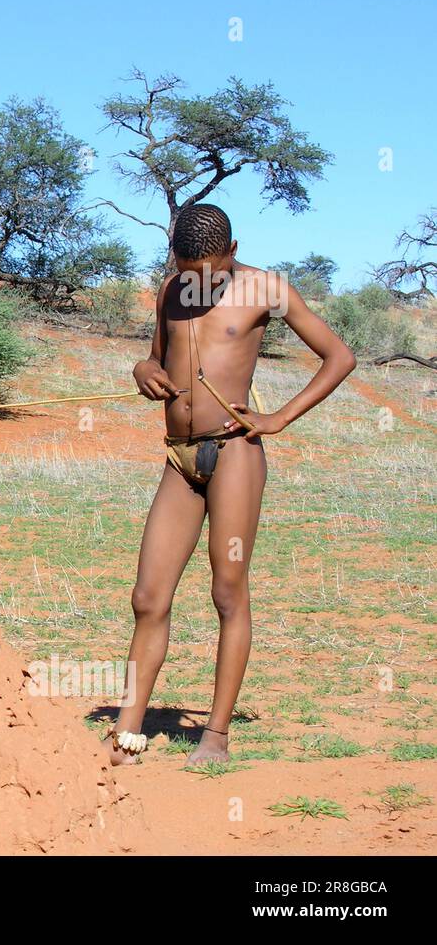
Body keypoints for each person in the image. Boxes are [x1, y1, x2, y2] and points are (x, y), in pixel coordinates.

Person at [107, 203, 356, 766]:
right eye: (187, 271)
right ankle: (126, 731)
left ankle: (215, 735)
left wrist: (278, 417)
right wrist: (143, 371)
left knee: (227, 591)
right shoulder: (172, 288)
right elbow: (153, 358)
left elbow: (340, 356)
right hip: (180, 460)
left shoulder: (267, 289)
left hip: (235, 456)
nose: (198, 284)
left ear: (233, 252)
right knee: (147, 598)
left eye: (210, 274)